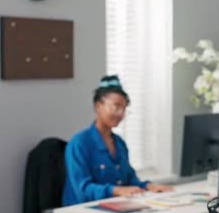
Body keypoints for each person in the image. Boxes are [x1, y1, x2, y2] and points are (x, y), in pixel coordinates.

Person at [62, 75, 173, 206]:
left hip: (114, 208)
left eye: (124, 109)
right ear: (98, 106)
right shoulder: (79, 143)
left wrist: (148, 186)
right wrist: (116, 190)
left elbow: (130, 179)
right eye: (116, 107)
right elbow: (83, 189)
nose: (121, 113)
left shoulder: (119, 143)